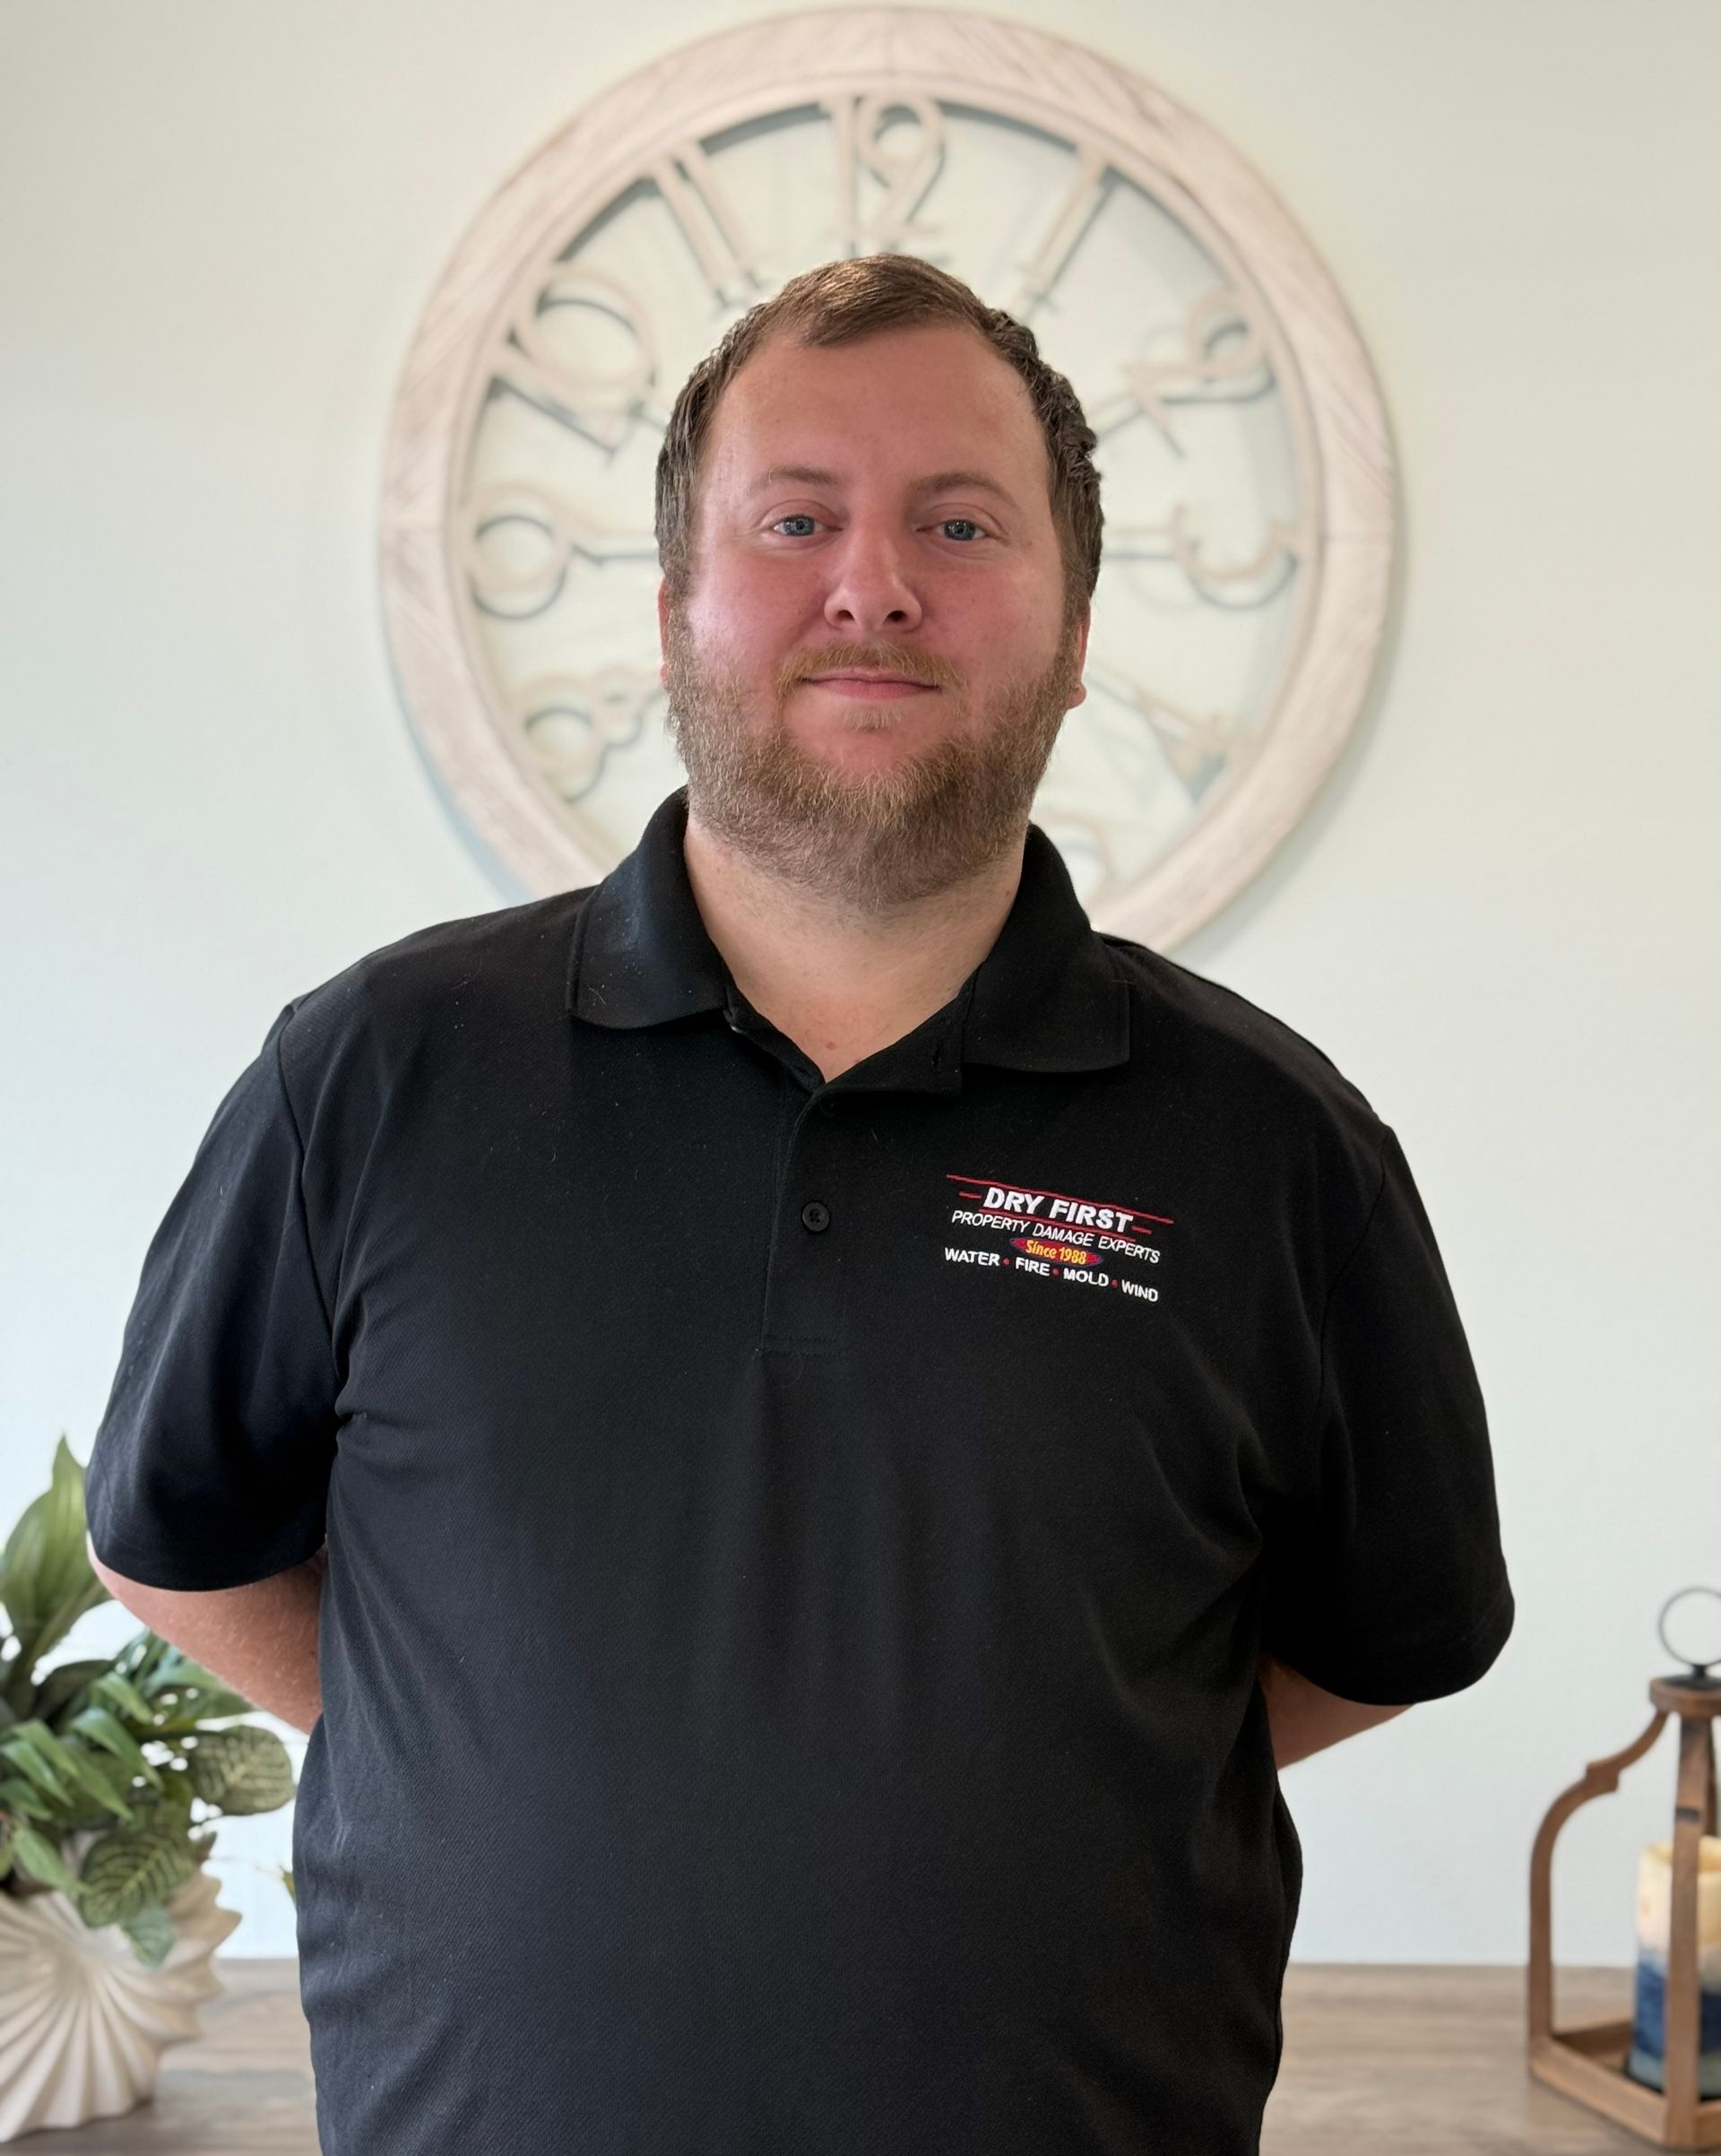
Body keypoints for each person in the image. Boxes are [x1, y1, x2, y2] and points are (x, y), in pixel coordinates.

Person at [85, 254, 1515, 2156]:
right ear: (676, 606)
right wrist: (479, 1753)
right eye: (795, 518)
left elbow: (1393, 1629)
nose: (874, 585)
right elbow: (176, 1541)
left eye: (961, 522)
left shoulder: (1278, 1145)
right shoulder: (373, 1074)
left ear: (1078, 626)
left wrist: (1074, 1766)